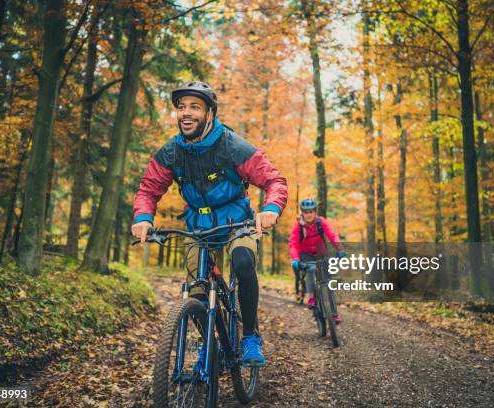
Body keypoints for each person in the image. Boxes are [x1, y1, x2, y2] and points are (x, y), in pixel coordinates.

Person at [131, 81, 287, 367]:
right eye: (181, 108)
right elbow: (148, 189)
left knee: (242, 262)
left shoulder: (231, 145)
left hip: (236, 221)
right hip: (197, 226)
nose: (186, 113)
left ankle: (250, 337)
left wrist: (270, 209)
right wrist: (143, 218)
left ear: (210, 114)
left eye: (194, 107)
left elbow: (274, 180)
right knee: (197, 289)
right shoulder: (171, 152)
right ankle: (210, 342)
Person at [288, 198, 345, 323]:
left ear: (315, 212)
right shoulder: (298, 226)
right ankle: (312, 298)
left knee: (328, 282)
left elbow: (332, 235)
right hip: (305, 255)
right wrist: (295, 259)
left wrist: (340, 249)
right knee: (312, 269)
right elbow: (293, 244)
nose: (309, 214)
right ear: (302, 213)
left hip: (321, 253)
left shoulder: (321, 222)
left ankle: (334, 314)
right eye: (306, 212)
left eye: (311, 211)